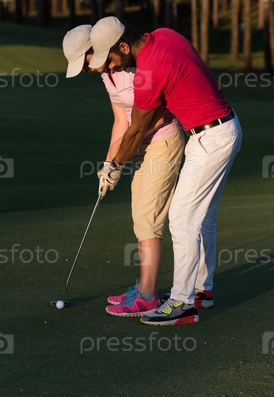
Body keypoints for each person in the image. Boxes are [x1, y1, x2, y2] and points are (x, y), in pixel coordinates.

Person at [92, 17, 243, 326]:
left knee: (182, 219)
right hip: (225, 127)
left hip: (210, 139)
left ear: (124, 46)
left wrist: (114, 166)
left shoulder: (149, 72)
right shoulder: (165, 34)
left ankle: (182, 303)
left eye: (112, 58)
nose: (113, 66)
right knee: (203, 217)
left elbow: (136, 131)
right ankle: (202, 291)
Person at [62, 24, 184, 316]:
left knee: (148, 218)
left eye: (85, 62)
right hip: (137, 144)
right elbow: (121, 121)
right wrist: (108, 165)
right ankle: (144, 287)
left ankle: (147, 296)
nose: (87, 70)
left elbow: (156, 117)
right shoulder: (107, 74)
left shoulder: (132, 69)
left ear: (96, 50)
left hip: (162, 141)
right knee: (139, 216)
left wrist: (121, 158)